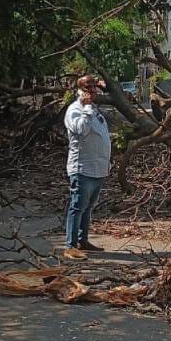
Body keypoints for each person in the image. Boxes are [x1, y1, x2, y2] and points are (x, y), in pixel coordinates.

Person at [63, 74, 111, 260]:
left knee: (88, 207)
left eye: (94, 90)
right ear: (80, 91)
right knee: (77, 206)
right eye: (88, 90)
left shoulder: (94, 110)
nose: (92, 93)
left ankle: (83, 240)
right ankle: (70, 245)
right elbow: (81, 130)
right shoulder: (75, 110)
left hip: (98, 168)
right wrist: (88, 107)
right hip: (82, 168)